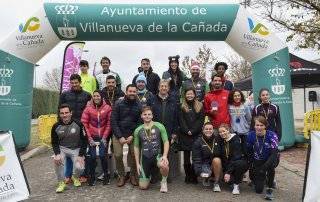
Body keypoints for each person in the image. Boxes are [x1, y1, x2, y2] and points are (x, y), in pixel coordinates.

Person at [58, 74, 91, 183]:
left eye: (76, 83)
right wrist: (60, 124)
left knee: (83, 150)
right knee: (68, 150)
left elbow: (90, 110)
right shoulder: (65, 95)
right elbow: (60, 110)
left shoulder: (87, 95)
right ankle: (68, 175)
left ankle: (82, 174)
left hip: (82, 125)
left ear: (80, 82)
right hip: (68, 126)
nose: (74, 85)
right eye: (72, 83)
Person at [51, 104, 87, 193]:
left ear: (71, 113)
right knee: (56, 160)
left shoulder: (79, 124)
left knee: (80, 167)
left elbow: (84, 140)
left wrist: (81, 155)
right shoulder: (56, 126)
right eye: (62, 113)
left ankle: (74, 177)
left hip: (76, 149)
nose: (64, 115)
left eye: (66, 112)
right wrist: (57, 154)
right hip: (62, 148)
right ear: (59, 114)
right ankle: (61, 182)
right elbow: (54, 142)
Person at [111, 84, 142, 187]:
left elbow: (139, 122)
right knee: (118, 155)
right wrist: (120, 136)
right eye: (130, 91)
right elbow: (113, 121)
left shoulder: (139, 106)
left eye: (134, 91)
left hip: (133, 135)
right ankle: (121, 175)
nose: (132, 93)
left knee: (134, 154)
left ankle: (133, 175)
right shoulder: (118, 103)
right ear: (126, 92)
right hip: (118, 134)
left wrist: (133, 135)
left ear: (136, 92)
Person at [133, 106, 170, 193]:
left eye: (149, 114)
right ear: (141, 116)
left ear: (152, 115)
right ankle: (147, 176)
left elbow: (166, 141)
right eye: (145, 114)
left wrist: (164, 156)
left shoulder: (159, 126)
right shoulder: (138, 130)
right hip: (145, 158)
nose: (147, 116)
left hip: (157, 156)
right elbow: (136, 147)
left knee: (164, 165)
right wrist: (137, 163)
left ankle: (164, 182)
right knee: (143, 187)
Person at [81, 90, 112, 186]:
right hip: (92, 137)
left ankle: (106, 175)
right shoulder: (88, 109)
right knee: (92, 157)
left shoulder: (107, 108)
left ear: (102, 97)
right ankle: (92, 176)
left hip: (103, 137)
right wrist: (89, 138)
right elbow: (84, 124)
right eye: (94, 96)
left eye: (98, 96)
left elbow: (109, 124)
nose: (96, 98)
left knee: (103, 156)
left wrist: (104, 137)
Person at [150, 80, 179, 182]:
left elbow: (176, 118)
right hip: (154, 132)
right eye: (161, 86)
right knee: (154, 153)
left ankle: (166, 175)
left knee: (167, 154)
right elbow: (148, 116)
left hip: (168, 132)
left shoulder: (173, 100)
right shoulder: (152, 99)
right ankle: (155, 175)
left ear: (168, 88)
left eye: (165, 86)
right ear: (158, 87)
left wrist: (175, 133)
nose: (163, 88)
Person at [247, 116, 279, 200]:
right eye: (257, 125)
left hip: (270, 159)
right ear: (254, 126)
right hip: (258, 160)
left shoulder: (272, 135)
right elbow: (249, 152)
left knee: (270, 167)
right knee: (258, 190)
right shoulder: (250, 135)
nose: (259, 127)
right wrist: (252, 167)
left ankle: (269, 188)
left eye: (261, 125)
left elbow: (274, 154)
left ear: (265, 126)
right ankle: (263, 179)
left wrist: (264, 168)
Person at [179, 87, 205, 184]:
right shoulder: (182, 106)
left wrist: (193, 131)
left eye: (191, 94)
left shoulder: (200, 106)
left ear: (194, 95)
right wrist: (187, 131)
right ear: (185, 95)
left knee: (196, 157)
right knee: (186, 158)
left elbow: (201, 120)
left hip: (196, 134)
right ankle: (187, 176)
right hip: (185, 135)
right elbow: (181, 120)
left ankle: (194, 176)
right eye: (188, 94)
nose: (189, 95)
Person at [218, 124, 248, 195]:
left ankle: (236, 185)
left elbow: (236, 157)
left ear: (228, 131)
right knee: (229, 182)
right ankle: (234, 178)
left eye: (224, 131)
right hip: (228, 165)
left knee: (239, 163)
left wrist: (228, 172)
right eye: (220, 132)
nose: (222, 133)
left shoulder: (236, 140)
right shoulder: (221, 141)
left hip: (238, 163)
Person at [192, 122, 222, 191]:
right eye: (206, 129)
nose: (208, 131)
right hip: (204, 164)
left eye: (210, 129)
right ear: (203, 130)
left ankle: (216, 183)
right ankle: (207, 178)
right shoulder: (198, 142)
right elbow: (196, 159)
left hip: (216, 163)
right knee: (205, 172)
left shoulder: (218, 139)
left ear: (213, 130)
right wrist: (199, 171)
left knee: (217, 160)